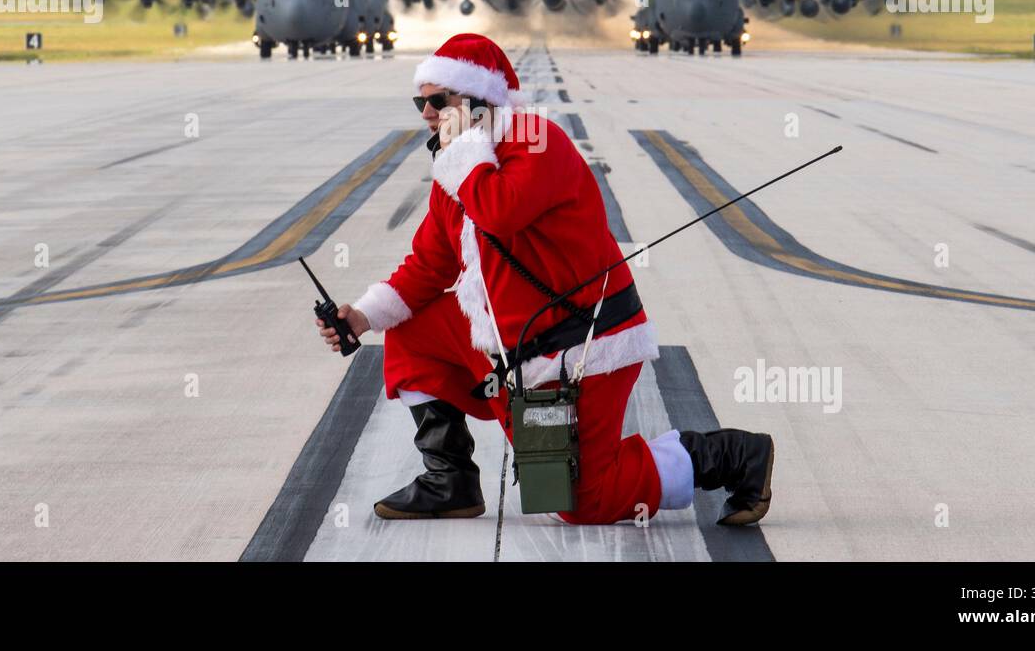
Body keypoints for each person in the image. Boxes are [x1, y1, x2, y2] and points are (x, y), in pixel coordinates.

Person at [316, 33, 773, 526]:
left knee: (581, 503)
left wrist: (463, 156)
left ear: (478, 99)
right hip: (513, 345)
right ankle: (449, 479)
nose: (426, 113)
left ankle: (728, 456)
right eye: (419, 101)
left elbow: (501, 210)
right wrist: (360, 316)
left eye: (437, 100)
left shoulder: (535, 140)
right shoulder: (459, 172)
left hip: (585, 349)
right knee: (409, 331)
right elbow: (430, 265)